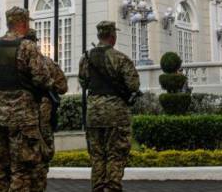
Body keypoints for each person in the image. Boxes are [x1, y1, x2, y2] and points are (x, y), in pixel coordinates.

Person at [0, 6, 53, 192]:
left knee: (0, 170)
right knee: (21, 170)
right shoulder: (28, 47)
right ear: (23, 22)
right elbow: (42, 78)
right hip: (23, 117)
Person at [78, 21, 140, 192]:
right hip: (116, 114)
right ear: (113, 36)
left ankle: (97, 188)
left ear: (99, 36)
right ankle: (112, 188)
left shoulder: (86, 57)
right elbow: (133, 85)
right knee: (115, 154)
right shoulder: (120, 58)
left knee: (97, 156)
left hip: (93, 113)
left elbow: (83, 82)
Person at [28, 29, 68, 192]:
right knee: (42, 156)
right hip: (42, 115)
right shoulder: (48, 63)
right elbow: (63, 87)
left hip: (17, 115)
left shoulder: (15, 63)